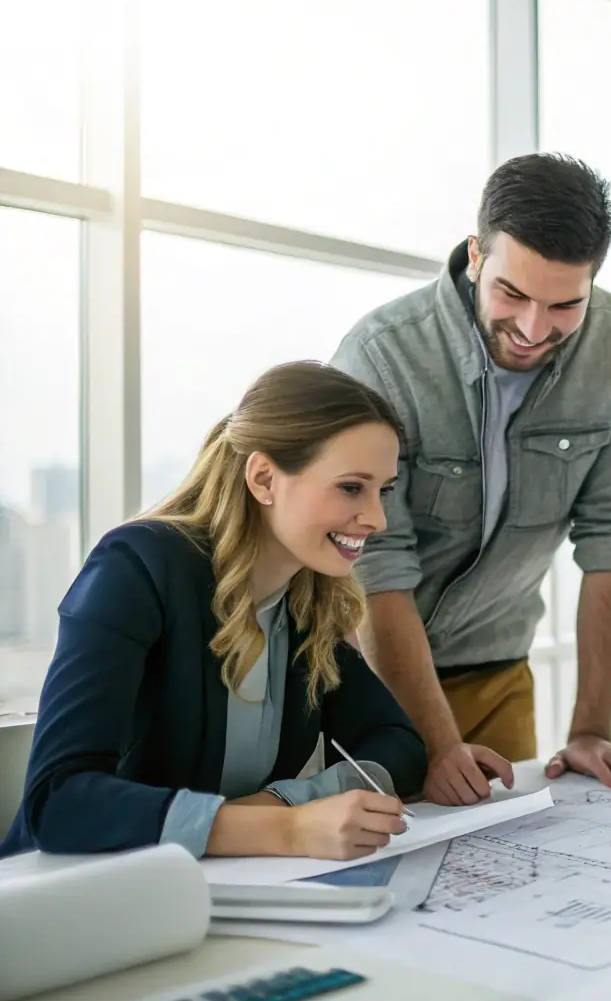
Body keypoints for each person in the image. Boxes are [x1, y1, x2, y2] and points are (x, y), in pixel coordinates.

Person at [330, 152, 611, 806]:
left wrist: (591, 730)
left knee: (504, 875)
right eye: (513, 294)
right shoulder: (382, 354)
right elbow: (374, 561)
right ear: (476, 256)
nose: (534, 329)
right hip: (357, 676)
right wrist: (432, 739)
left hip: (496, 670)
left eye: (565, 304)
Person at [0, 361, 428, 861]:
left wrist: (279, 804)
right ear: (265, 478)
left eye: (384, 490)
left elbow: (399, 747)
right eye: (352, 487)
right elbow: (59, 802)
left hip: (207, 889)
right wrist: (284, 830)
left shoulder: (309, 595)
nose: (376, 518)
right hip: (66, 895)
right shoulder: (136, 569)